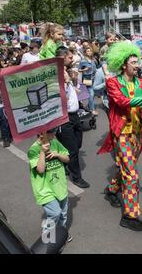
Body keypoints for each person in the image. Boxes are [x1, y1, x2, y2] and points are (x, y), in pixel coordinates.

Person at [98, 41, 142, 231]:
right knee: (132, 175)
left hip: (136, 132)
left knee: (128, 168)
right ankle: (130, 215)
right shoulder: (113, 83)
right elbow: (121, 102)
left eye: (138, 62)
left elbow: (141, 106)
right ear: (124, 64)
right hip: (122, 134)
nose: (138, 65)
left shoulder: (141, 82)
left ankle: (111, 190)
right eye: (134, 62)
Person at [27, 129, 72, 242]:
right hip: (45, 189)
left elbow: (67, 159)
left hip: (60, 186)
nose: (54, 133)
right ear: (42, 134)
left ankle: (62, 234)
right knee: (54, 213)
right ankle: (47, 238)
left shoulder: (55, 143)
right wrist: (42, 151)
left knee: (63, 214)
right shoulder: (33, 149)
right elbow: (41, 170)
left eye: (55, 130)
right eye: (51, 131)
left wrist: (57, 154)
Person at [55, 47, 90, 189]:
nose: (72, 59)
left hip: (75, 115)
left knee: (78, 144)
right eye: (70, 57)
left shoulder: (67, 72)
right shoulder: (57, 75)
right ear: (62, 58)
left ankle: (63, 161)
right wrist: (65, 82)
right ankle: (76, 177)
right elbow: (58, 96)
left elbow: (72, 92)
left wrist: (72, 82)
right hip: (64, 118)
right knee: (73, 150)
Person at [79, 47, 98, 115]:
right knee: (91, 93)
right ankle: (92, 110)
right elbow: (79, 70)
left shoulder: (92, 60)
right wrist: (85, 70)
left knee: (92, 94)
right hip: (87, 78)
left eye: (90, 51)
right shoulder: (83, 61)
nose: (89, 52)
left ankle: (90, 106)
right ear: (85, 53)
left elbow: (95, 69)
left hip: (93, 78)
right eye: (88, 51)